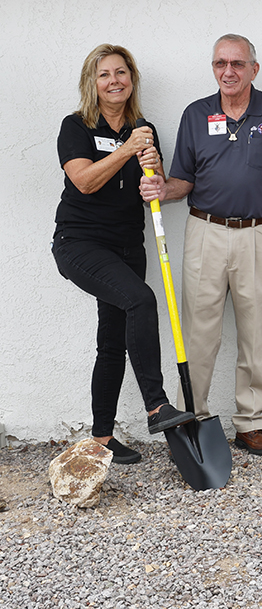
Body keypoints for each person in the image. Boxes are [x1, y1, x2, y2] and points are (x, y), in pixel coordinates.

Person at [140, 34, 262, 456]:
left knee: (254, 333)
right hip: (206, 233)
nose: (229, 72)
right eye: (220, 64)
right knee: (199, 334)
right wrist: (162, 188)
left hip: (260, 233)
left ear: (254, 68)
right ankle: (192, 422)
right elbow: (185, 182)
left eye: (238, 63)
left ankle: (251, 424)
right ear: (213, 68)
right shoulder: (196, 115)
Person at [52, 44, 195, 465]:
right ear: (92, 84)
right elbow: (84, 182)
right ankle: (157, 405)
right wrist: (127, 149)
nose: (114, 81)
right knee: (140, 299)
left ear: (131, 79)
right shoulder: (76, 126)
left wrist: (155, 171)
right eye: (104, 75)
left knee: (112, 341)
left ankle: (101, 439)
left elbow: (157, 190)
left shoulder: (144, 128)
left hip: (129, 244)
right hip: (80, 243)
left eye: (121, 72)